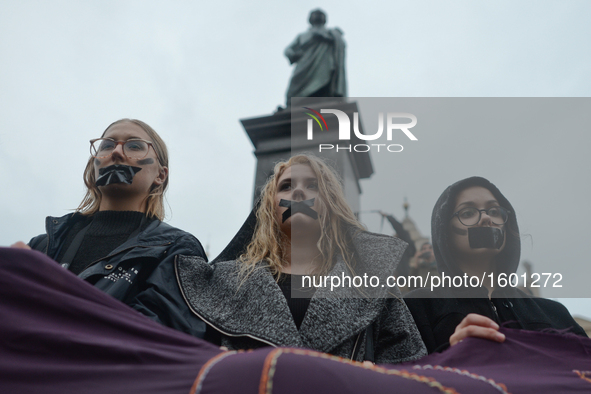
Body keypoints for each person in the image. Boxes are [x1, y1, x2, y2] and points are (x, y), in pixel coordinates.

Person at [175, 154, 427, 363]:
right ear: (269, 208)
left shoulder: (371, 283)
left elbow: (410, 360)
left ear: (329, 204)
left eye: (312, 186)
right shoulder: (225, 279)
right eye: (286, 186)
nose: (297, 192)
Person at [13, 118, 207, 338]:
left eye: (134, 146)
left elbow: (159, 338)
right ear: (94, 165)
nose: (116, 152)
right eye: (107, 145)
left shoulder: (176, 250)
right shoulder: (43, 245)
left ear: (160, 175)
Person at [404, 176, 587, 353]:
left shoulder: (554, 313)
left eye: (494, 211)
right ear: (444, 232)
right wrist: (454, 356)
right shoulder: (415, 308)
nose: (486, 219)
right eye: (468, 213)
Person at [284, 9, 347, 107]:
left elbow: (340, 45)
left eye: (321, 14)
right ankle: (293, 106)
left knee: (323, 82)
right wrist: (293, 54)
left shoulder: (331, 33)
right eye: (315, 14)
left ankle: (324, 101)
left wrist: (332, 37)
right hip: (304, 64)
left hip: (324, 64)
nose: (318, 15)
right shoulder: (302, 36)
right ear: (310, 19)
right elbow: (288, 50)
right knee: (294, 87)